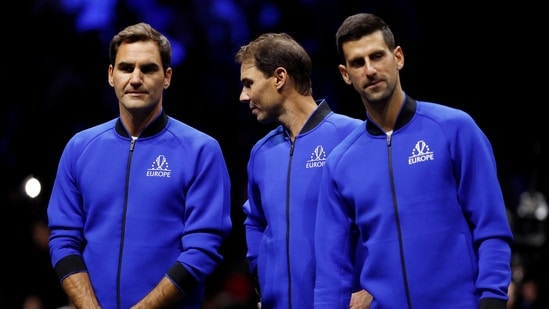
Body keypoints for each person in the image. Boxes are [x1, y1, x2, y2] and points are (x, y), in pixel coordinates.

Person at [314, 13, 514, 309]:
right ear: (345, 74)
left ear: (398, 57)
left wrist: (493, 299)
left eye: (377, 56)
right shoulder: (340, 163)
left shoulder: (454, 128)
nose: (369, 70)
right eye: (358, 62)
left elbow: (492, 228)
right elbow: (332, 273)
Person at [47, 22, 232, 309]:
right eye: (125, 68)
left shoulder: (201, 150)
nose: (135, 78)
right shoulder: (80, 147)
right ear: (111, 75)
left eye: (148, 69)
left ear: (167, 77)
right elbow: (63, 239)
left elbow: (202, 249)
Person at [235, 32, 371, 309]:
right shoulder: (261, 153)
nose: (242, 96)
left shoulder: (354, 137)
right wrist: (263, 283)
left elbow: (389, 220)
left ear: (279, 77)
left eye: (249, 83)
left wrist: (371, 289)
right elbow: (255, 221)